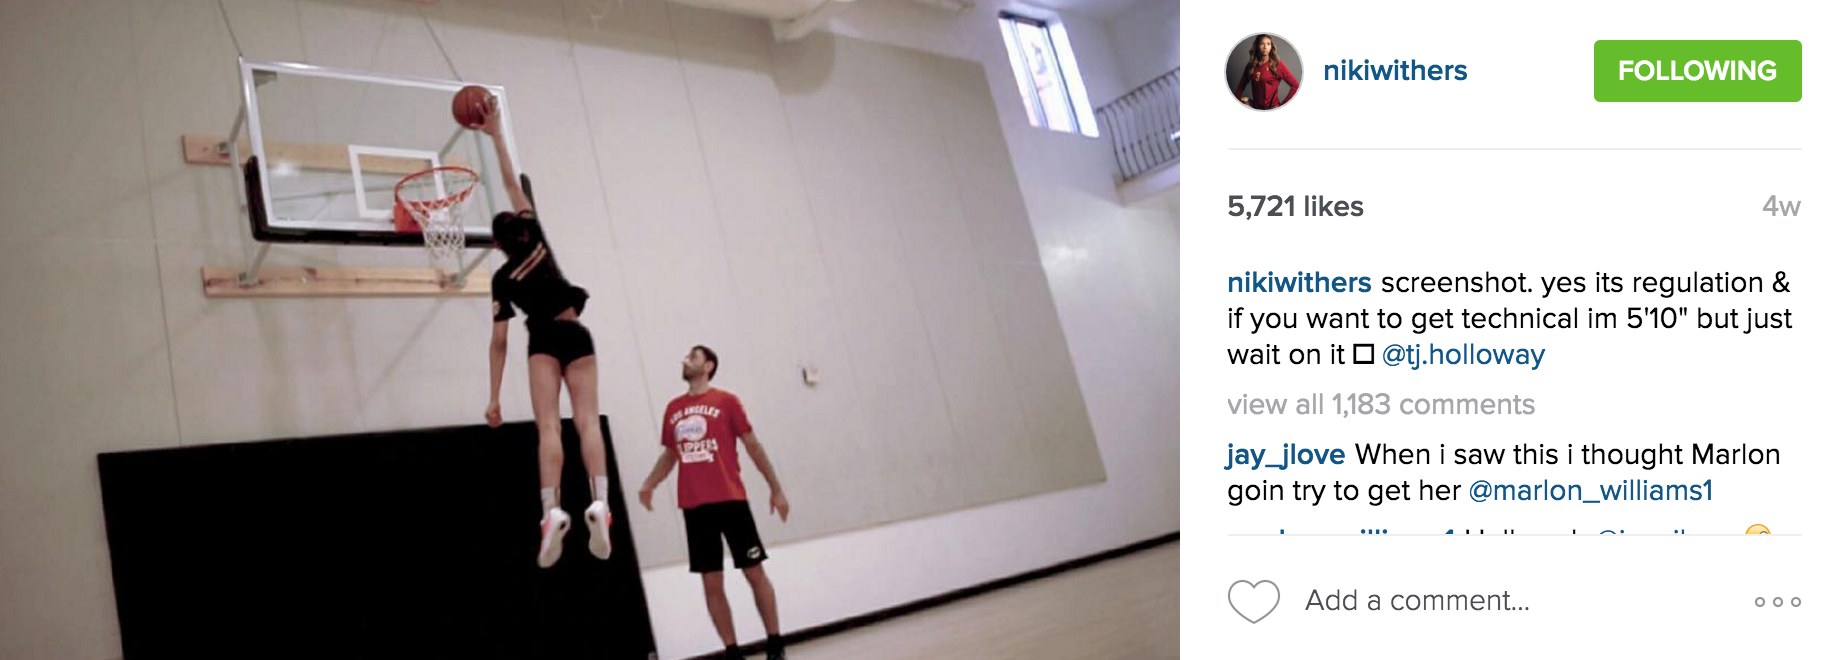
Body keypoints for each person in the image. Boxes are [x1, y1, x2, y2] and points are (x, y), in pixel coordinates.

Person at [472, 100, 614, 568]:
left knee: (549, 427)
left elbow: (499, 343)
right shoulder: (534, 234)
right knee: (588, 422)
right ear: (520, 224)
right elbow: (511, 181)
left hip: (542, 344)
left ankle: (551, 511)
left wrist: (494, 397)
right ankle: (600, 503)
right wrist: (495, 132)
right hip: (575, 334)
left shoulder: (502, 278)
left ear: (497, 245)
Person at [639, 346, 792, 660]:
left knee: (754, 573)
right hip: (695, 507)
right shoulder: (673, 408)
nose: (685, 360)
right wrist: (650, 483)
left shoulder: (727, 401)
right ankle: (732, 651)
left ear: (708, 366)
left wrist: (775, 488)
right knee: (711, 582)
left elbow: (753, 445)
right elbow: (671, 454)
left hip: (730, 500)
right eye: (686, 356)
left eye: (693, 357)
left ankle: (775, 644)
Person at [1237, 34, 1300, 109]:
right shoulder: (1251, 66)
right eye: (1262, 43)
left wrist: (1283, 106)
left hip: (1272, 108)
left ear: (1271, 47)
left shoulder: (1277, 65)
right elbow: (1240, 87)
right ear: (1257, 46)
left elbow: (1295, 86)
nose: (1265, 47)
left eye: (1268, 44)